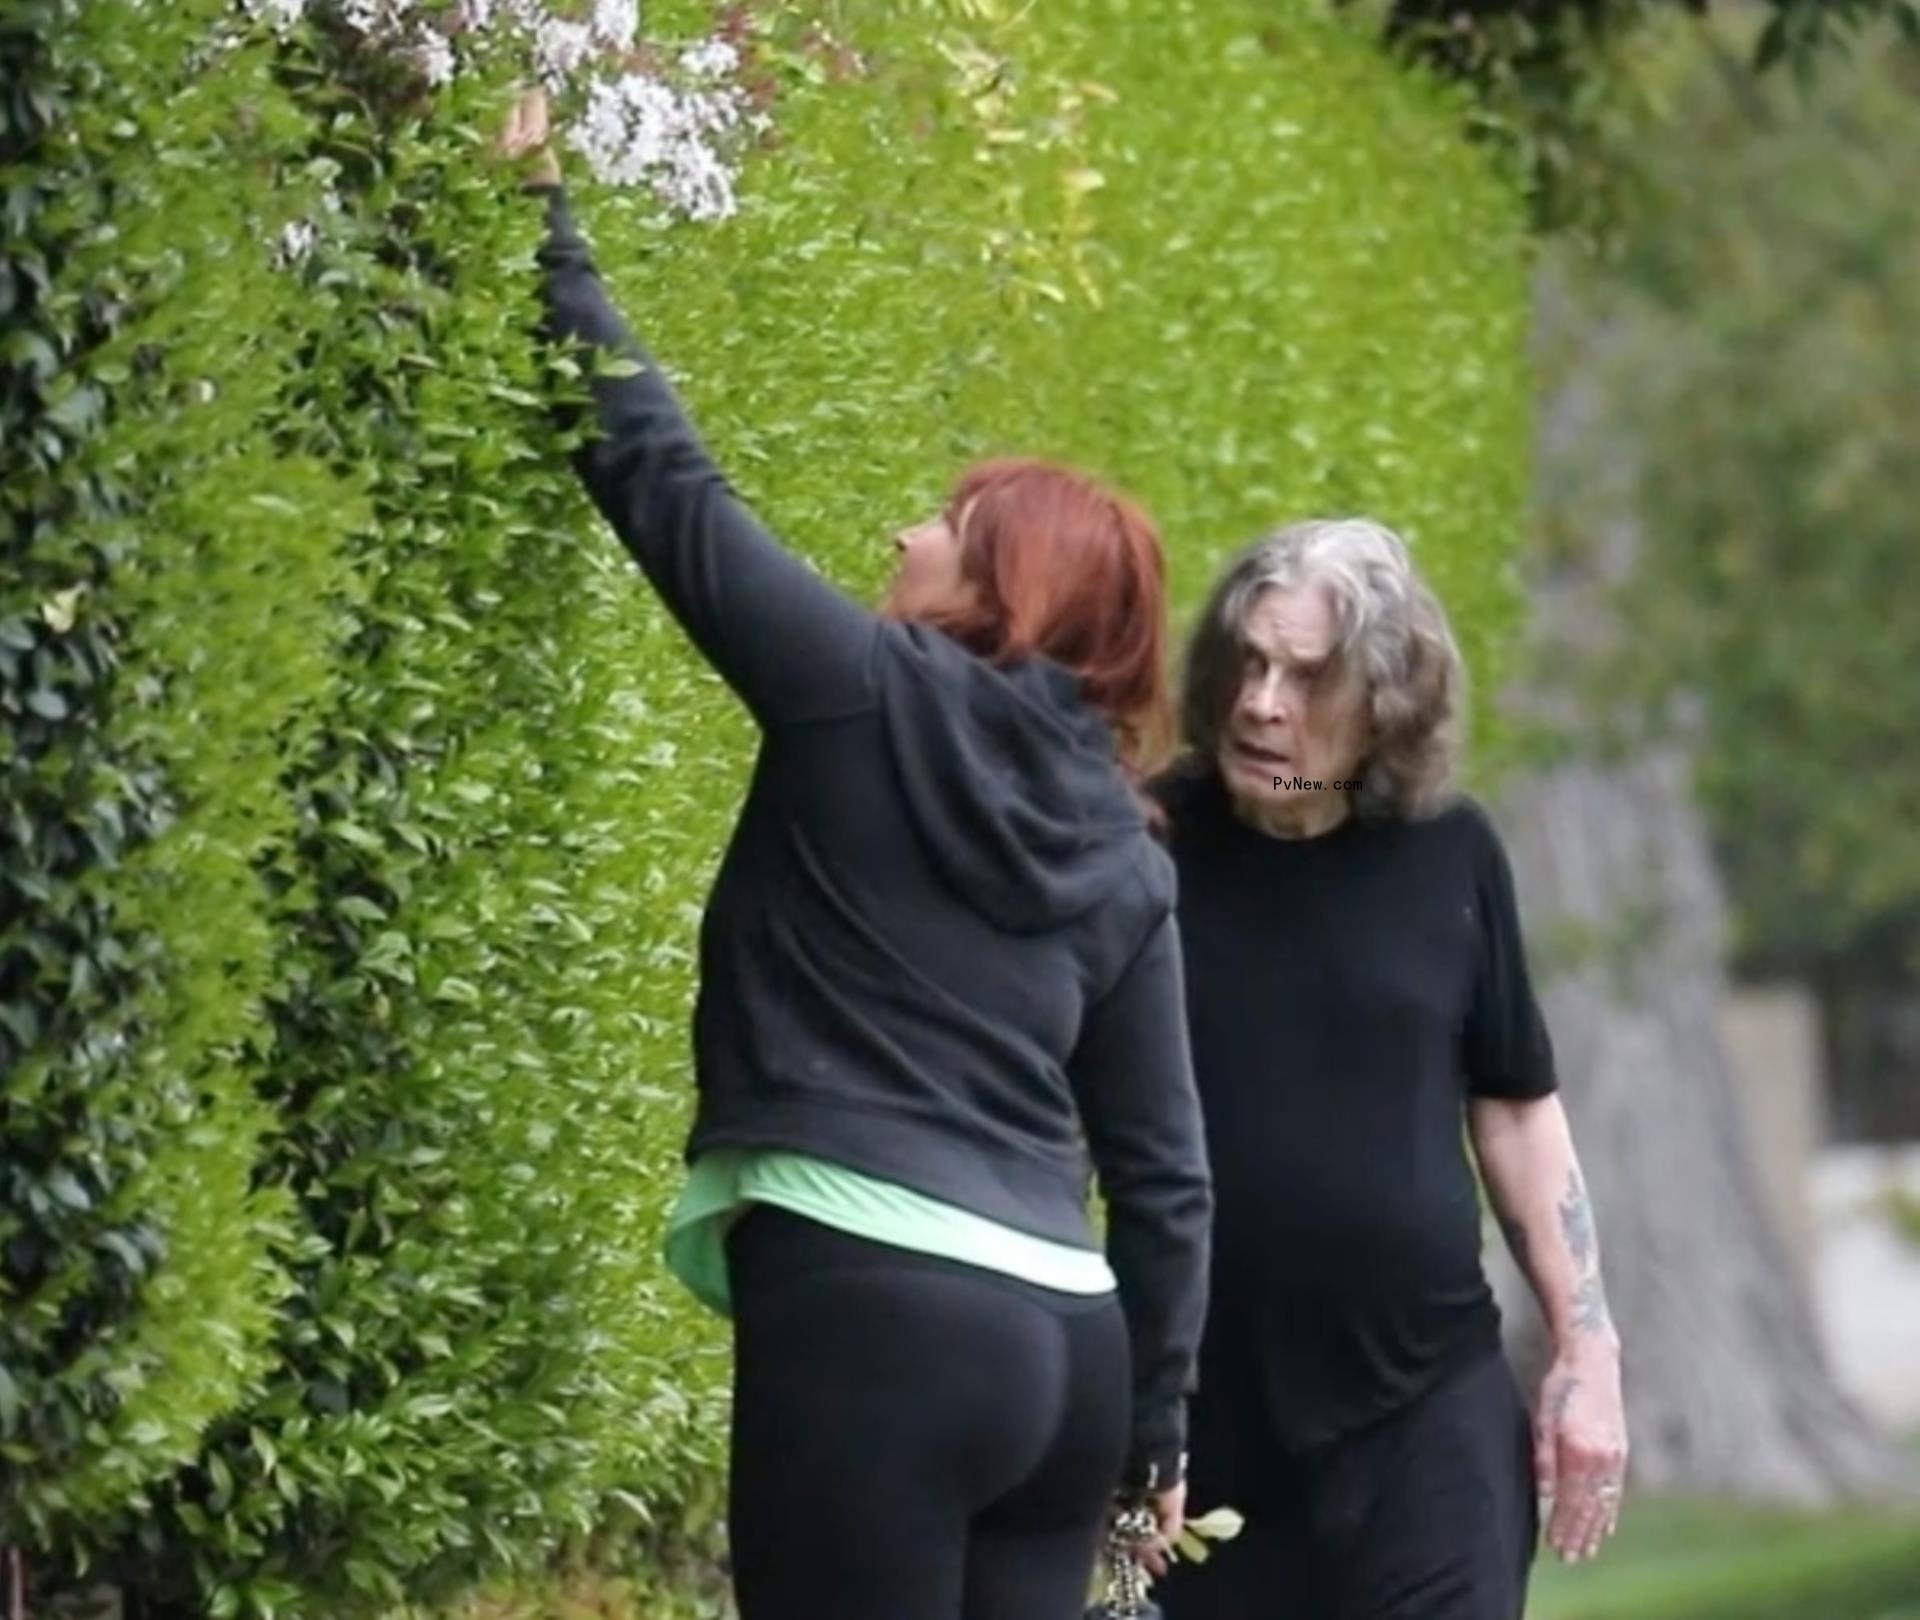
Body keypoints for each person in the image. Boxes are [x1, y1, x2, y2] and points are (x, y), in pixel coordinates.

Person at [496, 90, 1212, 1620]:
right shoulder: (1130, 851)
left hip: (877, 1299)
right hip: (1067, 1348)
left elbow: (656, 479)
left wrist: (534, 210)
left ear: (1001, 583)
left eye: (947, 524)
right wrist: (1155, 1428)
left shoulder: (859, 693)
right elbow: (1163, 1176)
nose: (905, 533)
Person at [1148, 519, 1628, 1620]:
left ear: (1387, 702)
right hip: (1195, 1440)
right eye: (1249, 663)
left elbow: (1513, 1105)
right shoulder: (1147, 843)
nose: (1262, 703)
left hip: (1429, 1417)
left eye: (1307, 677)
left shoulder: (1452, 853)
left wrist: (1585, 1345)